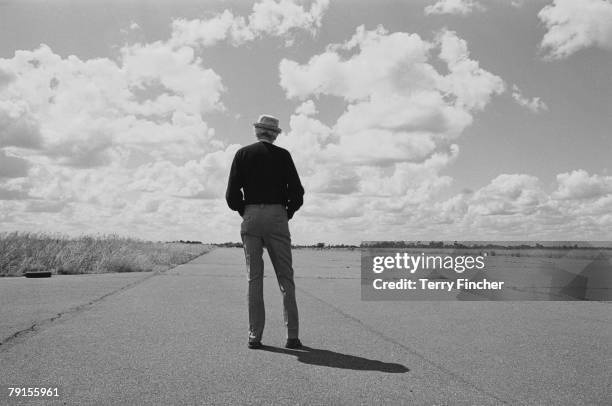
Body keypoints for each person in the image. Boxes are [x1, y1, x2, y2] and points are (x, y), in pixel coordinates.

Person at [225, 114, 305, 350]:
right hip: (277, 215)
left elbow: (231, 195)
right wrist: (286, 212)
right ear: (275, 134)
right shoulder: (283, 156)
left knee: (254, 278)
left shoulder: (243, 154)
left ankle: (254, 336)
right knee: (285, 277)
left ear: (257, 132)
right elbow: (297, 192)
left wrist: (245, 211)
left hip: (251, 215)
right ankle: (292, 336)